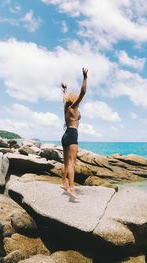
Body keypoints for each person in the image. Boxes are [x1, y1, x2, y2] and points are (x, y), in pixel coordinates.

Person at [60, 67, 88, 199]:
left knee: (66, 162)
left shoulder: (66, 109)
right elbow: (83, 92)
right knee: (72, 163)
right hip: (72, 134)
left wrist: (64, 90)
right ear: (73, 100)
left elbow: (64, 99)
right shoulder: (73, 107)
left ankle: (63, 183)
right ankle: (71, 188)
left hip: (65, 135)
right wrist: (85, 77)